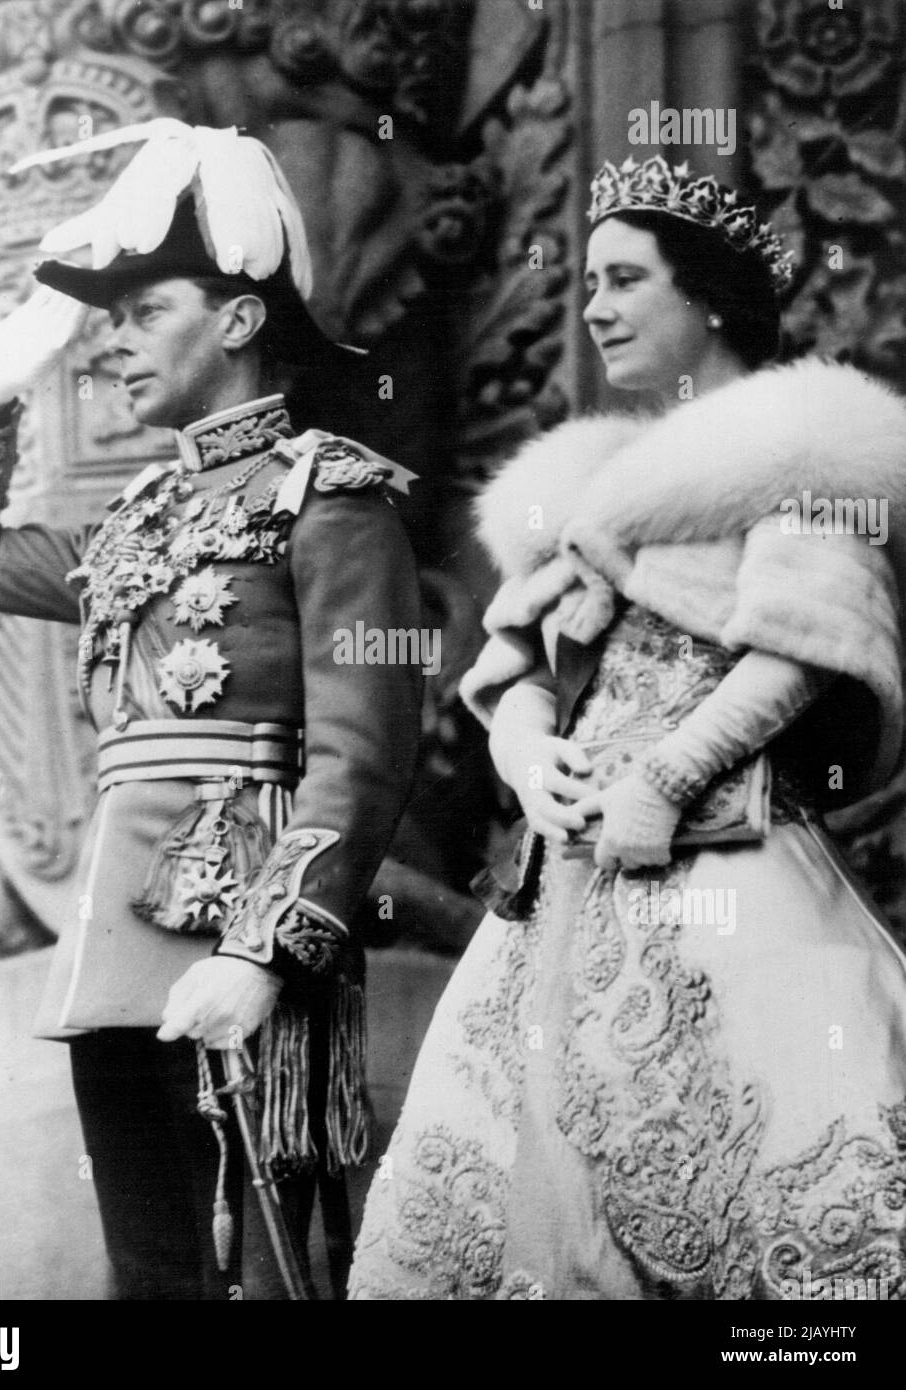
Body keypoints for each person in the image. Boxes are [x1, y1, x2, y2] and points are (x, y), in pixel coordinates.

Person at [349, 154, 906, 1301]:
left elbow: (805, 643)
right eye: (587, 279)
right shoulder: (596, 479)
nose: (593, 305)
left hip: (729, 865)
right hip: (565, 884)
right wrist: (521, 742)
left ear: (706, 298)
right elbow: (518, 664)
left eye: (623, 278)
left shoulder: (799, 444)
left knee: (783, 1175)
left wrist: (669, 770)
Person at [0, 121, 423, 1300]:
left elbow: (362, 755)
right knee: (151, 1275)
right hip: (113, 946)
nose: (113, 342)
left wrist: (260, 952)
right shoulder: (135, 521)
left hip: (243, 938)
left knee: (261, 1279)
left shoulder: (329, 497)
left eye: (145, 311)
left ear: (238, 320)